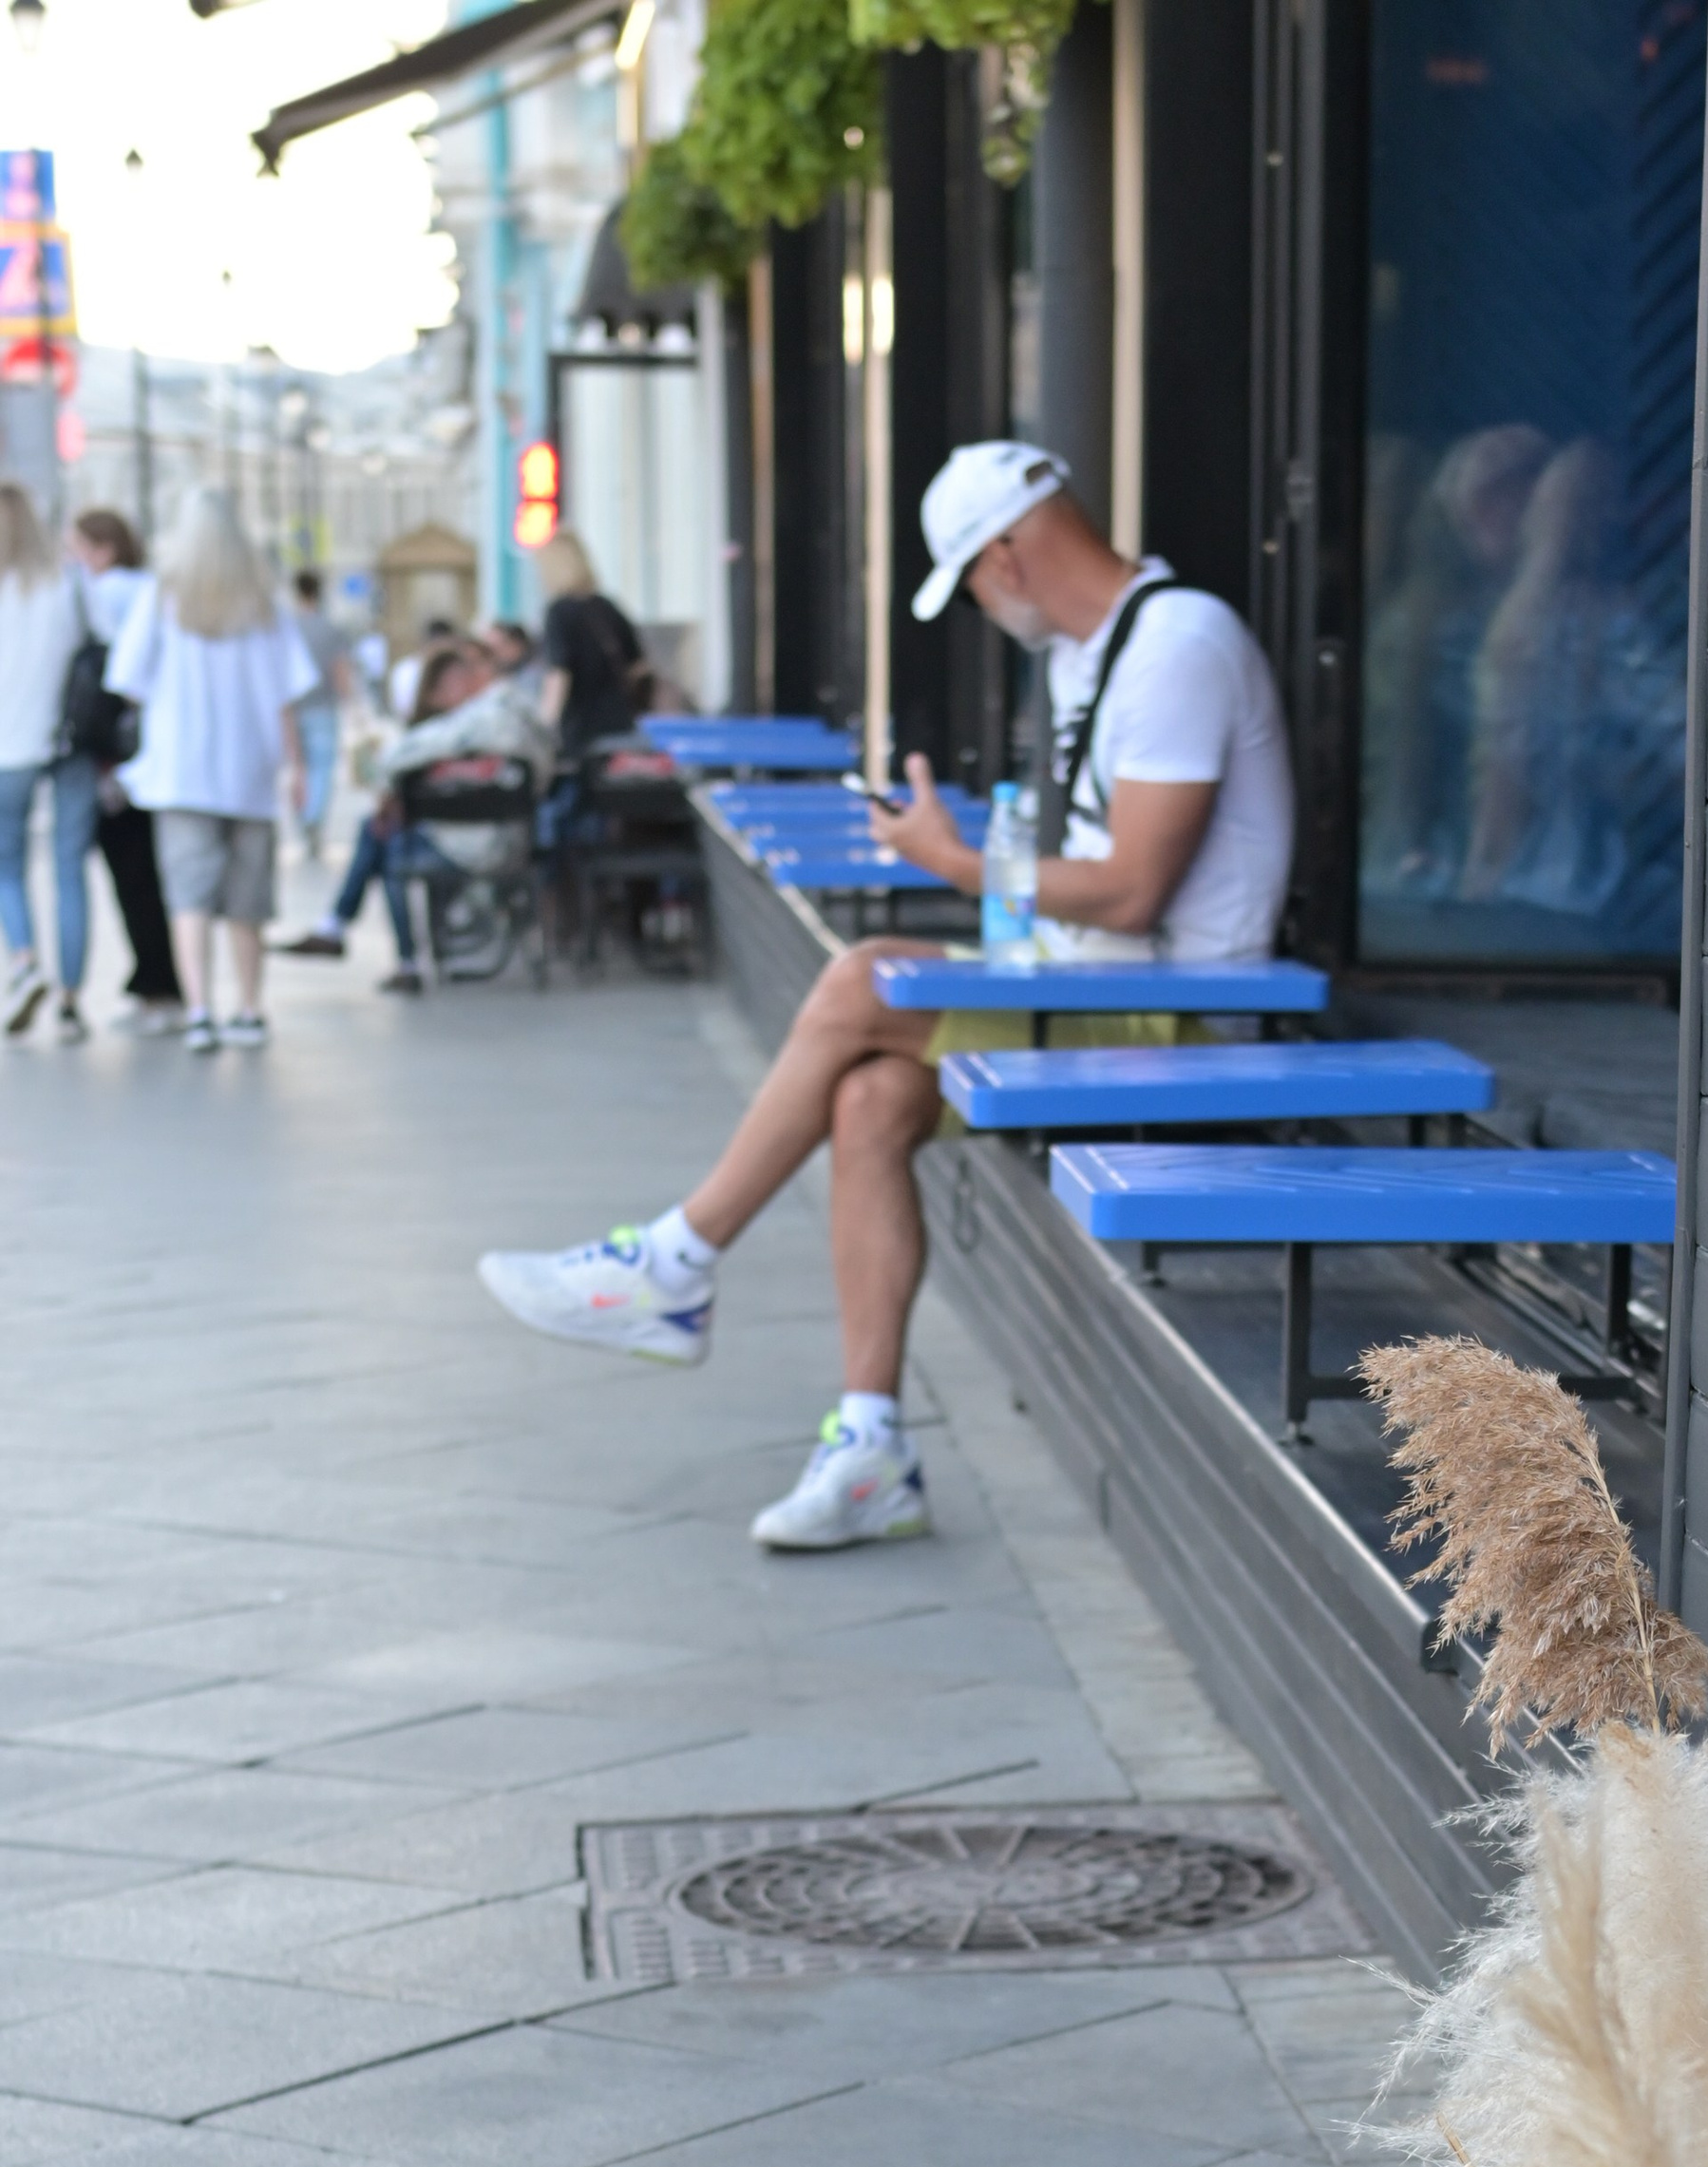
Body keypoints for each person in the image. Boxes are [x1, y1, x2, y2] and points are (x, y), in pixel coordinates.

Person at [477, 441, 1294, 1552]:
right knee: (866, 1103)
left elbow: (1137, 886)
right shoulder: (1094, 652)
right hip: (1101, 985)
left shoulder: (1180, 643)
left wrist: (959, 867)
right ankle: (870, 1450)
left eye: (966, 581)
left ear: (1005, 555)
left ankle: (677, 1259)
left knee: (865, 976)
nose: (974, 606)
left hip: (1187, 1016)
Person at [106, 485, 316, 1052]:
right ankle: (249, 1008)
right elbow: (285, 693)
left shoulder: (164, 595)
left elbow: (128, 679)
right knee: (248, 899)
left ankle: (199, 1010)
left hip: (180, 770)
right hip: (250, 770)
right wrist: (297, 766)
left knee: (188, 896)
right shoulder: (263, 602)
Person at [281, 634, 552, 992]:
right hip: (505, 838)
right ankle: (342, 928)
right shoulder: (513, 712)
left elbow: (398, 756)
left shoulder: (491, 716)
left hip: (483, 844)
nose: (467, 675)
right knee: (382, 833)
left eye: (472, 665)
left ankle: (371, 944)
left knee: (388, 843)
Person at [66, 506, 181, 1029]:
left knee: (133, 874)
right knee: (156, 872)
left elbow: (111, 683)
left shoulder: (106, 593)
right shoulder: (154, 589)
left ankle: (158, 986)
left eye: (78, 549)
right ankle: (164, 981)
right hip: (159, 751)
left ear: (103, 549)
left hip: (118, 754)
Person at [0, 482, 96, 1043]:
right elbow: (106, 649)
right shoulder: (68, 582)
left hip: (5, 748)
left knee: (7, 868)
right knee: (68, 871)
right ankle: (69, 1001)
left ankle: (25, 960)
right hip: (69, 742)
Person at [533, 534, 649, 760]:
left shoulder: (559, 612)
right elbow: (639, 668)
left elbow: (559, 674)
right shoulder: (608, 607)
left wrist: (544, 726)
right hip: (622, 723)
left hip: (582, 730)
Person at [289, 568, 352, 860]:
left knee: (297, 768)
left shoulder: (287, 628)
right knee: (323, 769)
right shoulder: (330, 628)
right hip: (323, 707)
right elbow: (340, 672)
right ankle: (313, 817)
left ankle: (304, 818)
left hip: (290, 708)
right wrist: (352, 704)